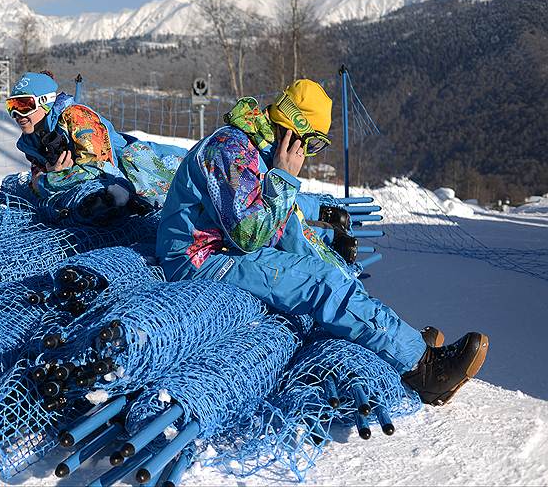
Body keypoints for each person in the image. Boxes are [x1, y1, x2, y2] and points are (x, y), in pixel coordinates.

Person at [156, 79, 489, 405]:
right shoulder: (229, 150)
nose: (311, 155)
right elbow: (249, 235)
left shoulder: (260, 151)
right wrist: (285, 177)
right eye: (312, 144)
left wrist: (332, 265)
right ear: (293, 130)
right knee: (322, 283)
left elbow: (286, 226)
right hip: (199, 258)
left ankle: (401, 340)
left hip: (228, 250)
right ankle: (425, 370)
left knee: (328, 272)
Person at [7, 71, 186, 222]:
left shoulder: (78, 117)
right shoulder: (30, 142)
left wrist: (52, 179)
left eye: (24, 105)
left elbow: (100, 169)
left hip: (161, 171)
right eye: (11, 106)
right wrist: (52, 178)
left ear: (45, 101)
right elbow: (36, 186)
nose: (17, 114)